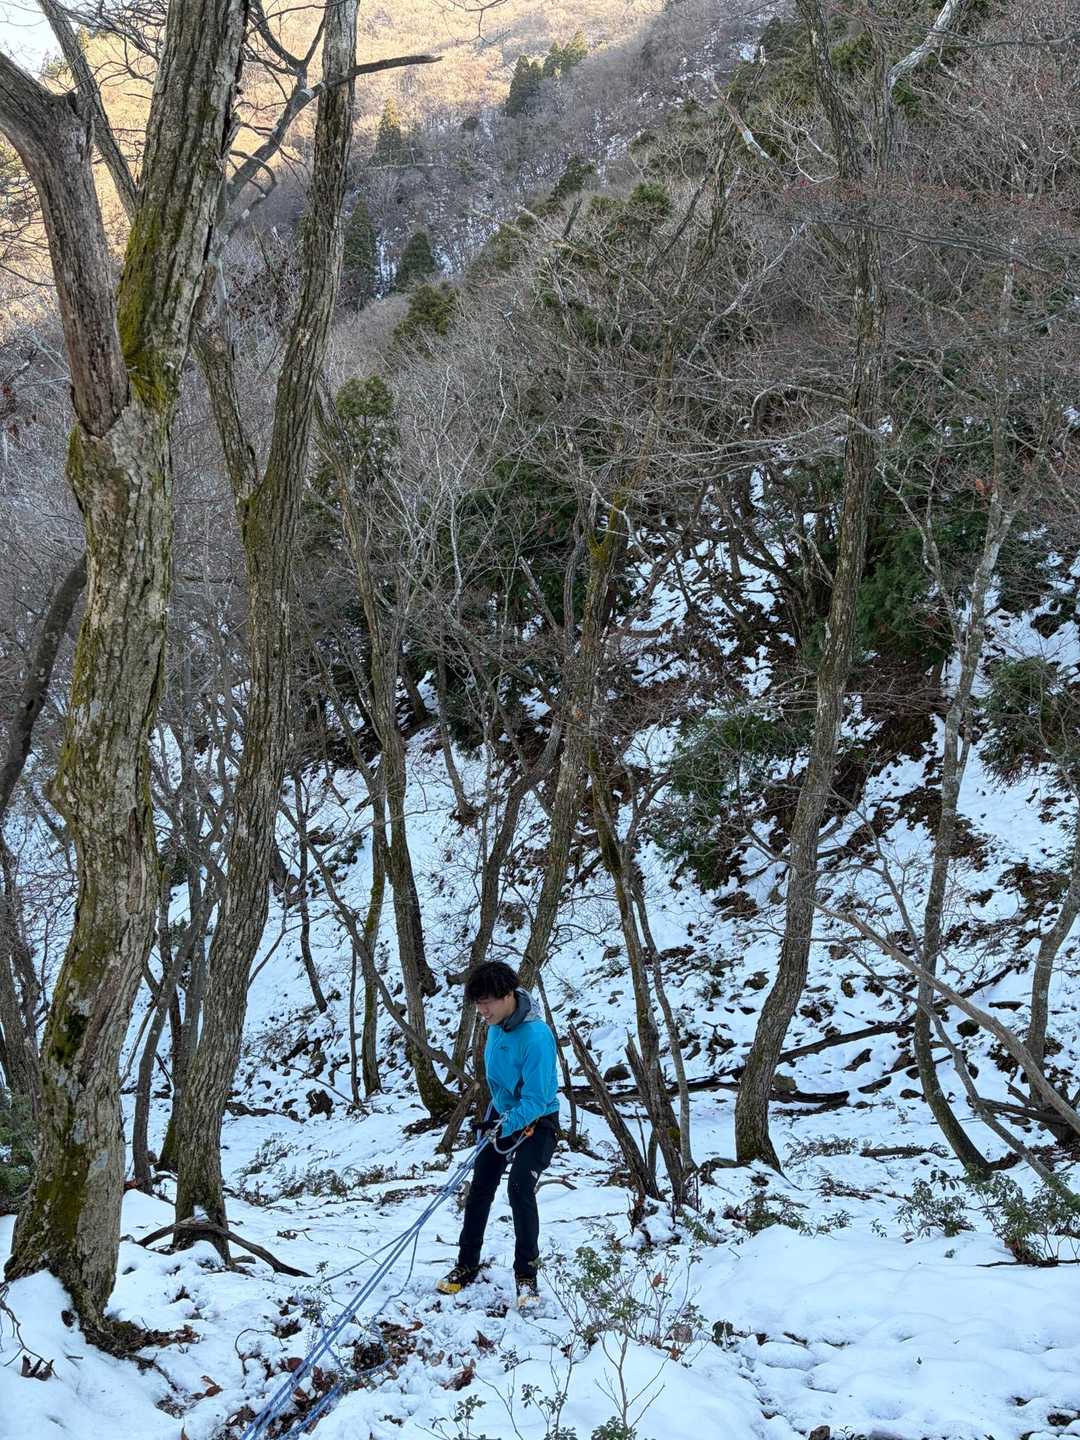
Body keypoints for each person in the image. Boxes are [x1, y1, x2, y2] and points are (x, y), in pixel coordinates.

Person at [437, 961, 559, 1308]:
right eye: (478, 1004)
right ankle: (466, 1264)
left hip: (539, 1120)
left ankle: (526, 1275)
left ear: (508, 996)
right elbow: (498, 1083)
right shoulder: (495, 1026)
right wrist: (496, 1120)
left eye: (487, 1003)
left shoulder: (537, 1037)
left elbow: (536, 1099)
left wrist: (505, 1124)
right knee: (480, 1187)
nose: (482, 1011)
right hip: (502, 1115)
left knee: (519, 1187)